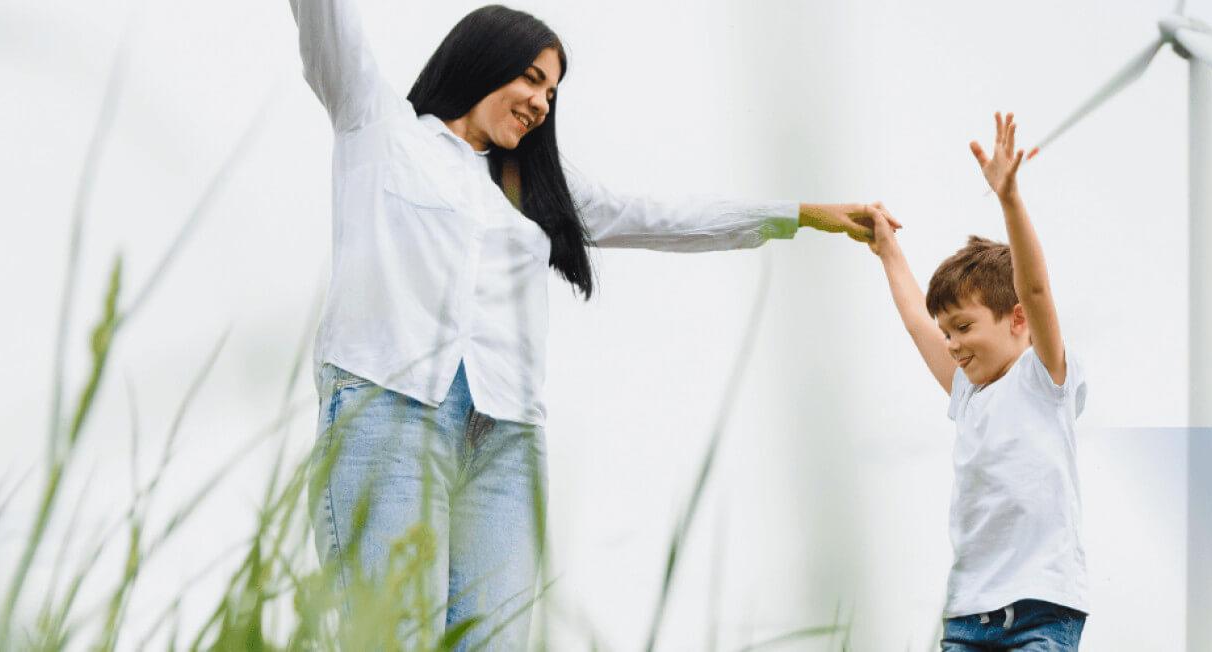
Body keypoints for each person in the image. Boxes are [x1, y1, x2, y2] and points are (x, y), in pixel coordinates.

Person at [286, 2, 889, 648]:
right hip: (389, 414)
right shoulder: (375, 123)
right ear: (481, 60)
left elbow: (661, 216)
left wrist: (797, 213)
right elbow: (326, 17)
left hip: (505, 443)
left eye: (552, 91)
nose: (543, 102)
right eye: (531, 78)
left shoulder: (531, 192)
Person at [866, 114, 1091, 651]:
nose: (952, 344)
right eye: (949, 332)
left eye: (964, 328)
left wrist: (1009, 199)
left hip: (1043, 608)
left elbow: (1036, 289)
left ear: (1015, 321)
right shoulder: (968, 395)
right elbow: (918, 324)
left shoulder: (1044, 378)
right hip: (968, 617)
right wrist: (887, 251)